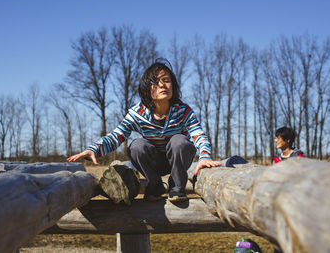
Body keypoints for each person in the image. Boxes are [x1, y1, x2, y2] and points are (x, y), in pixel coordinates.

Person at [67, 60, 221, 202]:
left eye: (167, 80)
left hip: (177, 160)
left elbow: (198, 134)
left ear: (173, 86)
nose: (163, 85)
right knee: (137, 145)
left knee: (179, 141)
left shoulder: (183, 111)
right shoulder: (137, 113)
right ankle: (154, 186)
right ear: (147, 91)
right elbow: (117, 135)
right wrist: (95, 149)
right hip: (152, 162)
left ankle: (176, 187)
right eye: (156, 82)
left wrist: (204, 156)